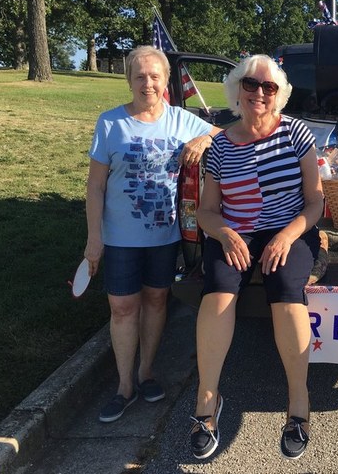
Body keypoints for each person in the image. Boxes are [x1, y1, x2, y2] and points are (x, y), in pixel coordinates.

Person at [189, 54, 324, 461]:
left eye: (269, 87)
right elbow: (206, 210)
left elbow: (316, 202)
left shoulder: (297, 133)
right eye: (251, 85)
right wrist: (227, 233)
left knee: (286, 292)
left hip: (290, 230)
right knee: (218, 293)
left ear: (279, 94)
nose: (260, 93)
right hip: (235, 232)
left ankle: (298, 405)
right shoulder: (219, 146)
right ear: (237, 90)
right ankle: (207, 405)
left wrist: (286, 236)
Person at [85, 45, 222, 423]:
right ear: (129, 80)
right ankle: (123, 386)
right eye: (140, 76)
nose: (147, 83)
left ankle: (146, 373)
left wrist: (203, 140)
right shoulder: (110, 123)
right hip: (119, 237)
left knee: (157, 302)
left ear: (165, 82)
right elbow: (95, 187)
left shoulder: (181, 119)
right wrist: (93, 238)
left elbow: (227, 136)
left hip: (164, 236)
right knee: (122, 307)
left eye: (154, 76)